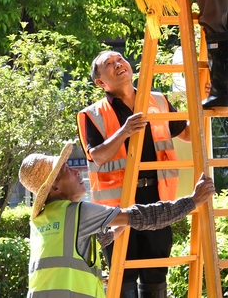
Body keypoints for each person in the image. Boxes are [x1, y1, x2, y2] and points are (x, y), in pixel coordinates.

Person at [19, 142, 215, 298]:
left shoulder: (41, 220)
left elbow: (84, 245)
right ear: (55, 189)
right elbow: (144, 217)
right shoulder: (78, 212)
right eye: (67, 170)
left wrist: (117, 224)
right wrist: (193, 201)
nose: (77, 172)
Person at [77, 51, 190, 298]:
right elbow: (97, 155)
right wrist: (125, 131)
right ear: (100, 82)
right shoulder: (92, 114)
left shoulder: (158, 101)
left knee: (156, 273)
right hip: (116, 209)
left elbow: (188, 134)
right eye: (109, 64)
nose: (118, 64)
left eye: (120, 59)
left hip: (158, 198)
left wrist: (203, 102)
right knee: (122, 272)